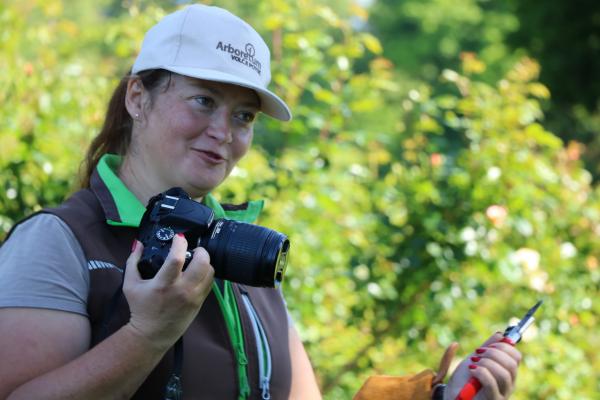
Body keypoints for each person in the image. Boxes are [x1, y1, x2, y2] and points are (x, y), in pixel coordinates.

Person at [0, 4, 521, 399]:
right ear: (138, 97)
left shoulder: (243, 254)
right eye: (203, 100)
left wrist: (436, 398)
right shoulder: (61, 241)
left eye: (244, 116)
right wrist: (146, 335)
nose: (223, 132)